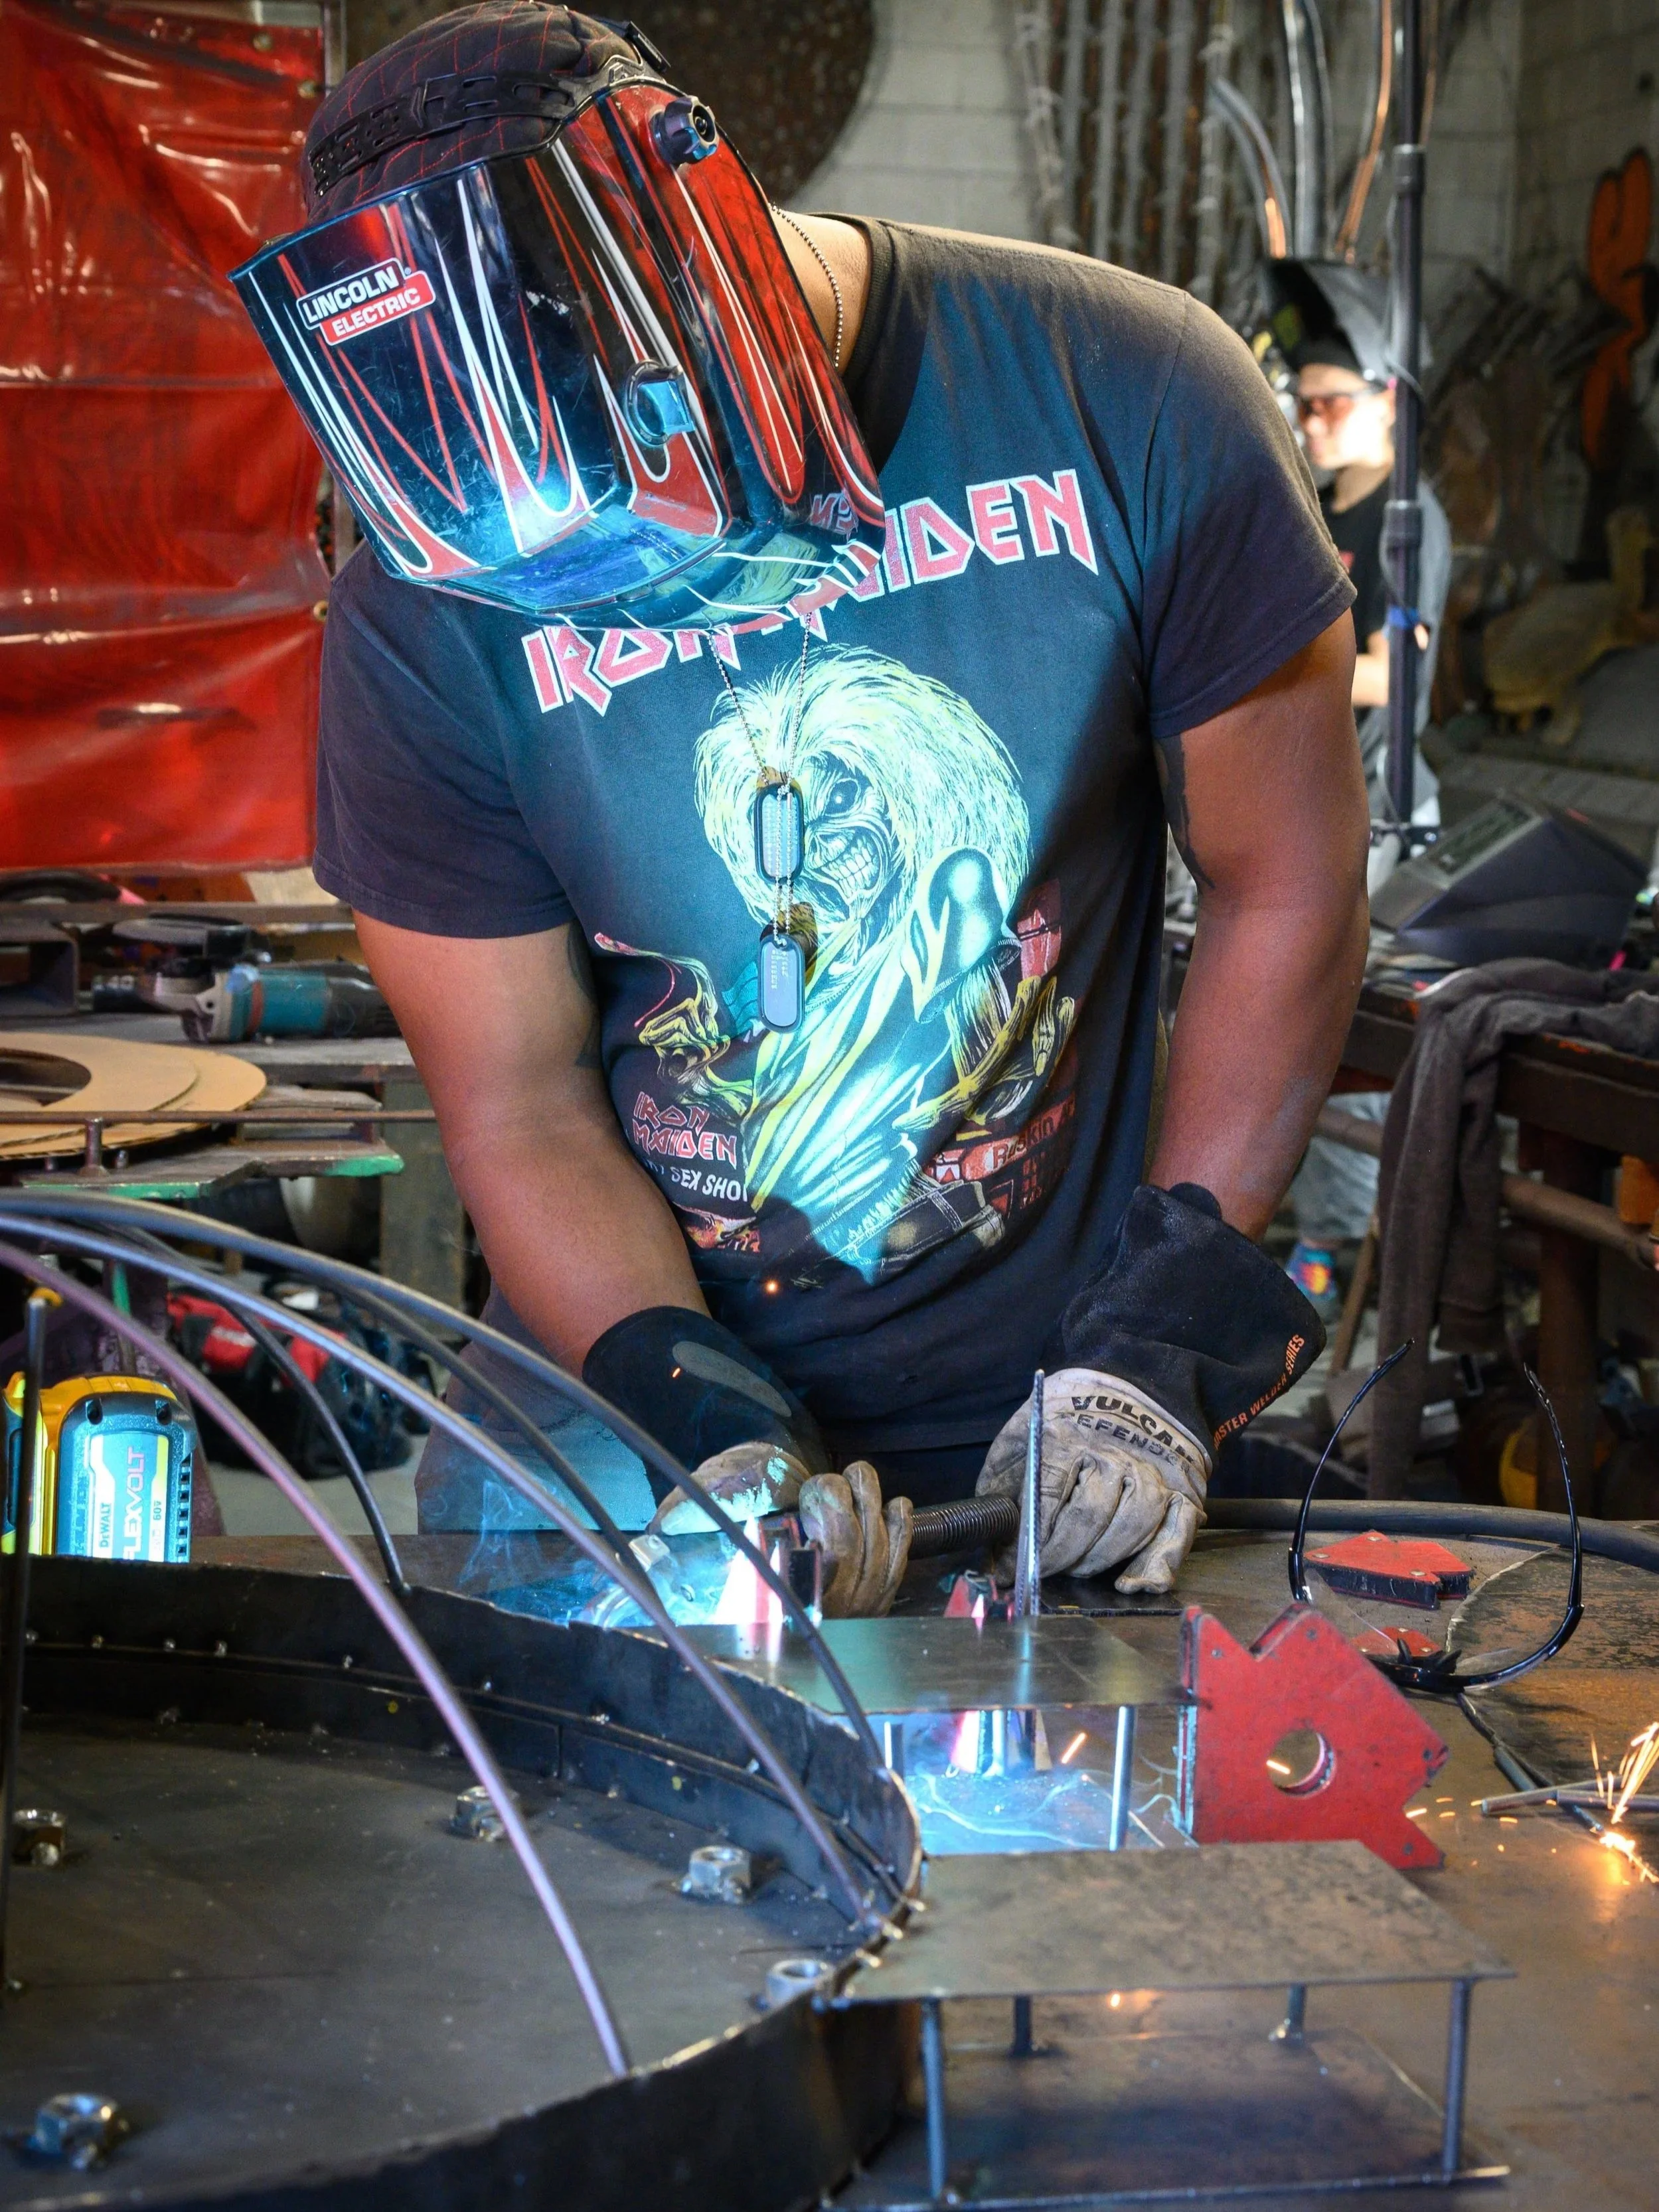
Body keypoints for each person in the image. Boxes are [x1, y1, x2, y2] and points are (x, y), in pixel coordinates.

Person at [235, 3, 1370, 1612]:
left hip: (1060, 1384)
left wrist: (1156, 1338)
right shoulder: (426, 606)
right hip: (641, 1405)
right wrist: (708, 1426)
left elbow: (1286, 890)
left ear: (710, 236)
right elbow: (518, 1096)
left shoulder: (1126, 392)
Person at [1262, 263, 1453, 1321]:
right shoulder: (1308, 503)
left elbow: (1396, 669)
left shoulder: (1405, 520)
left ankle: (1336, 1253)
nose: (1309, 417)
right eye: (1300, 398)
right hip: (1305, 794)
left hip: (1378, 800)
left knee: (1332, 1020)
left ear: (1385, 397)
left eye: (1330, 399)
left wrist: (1265, 658)